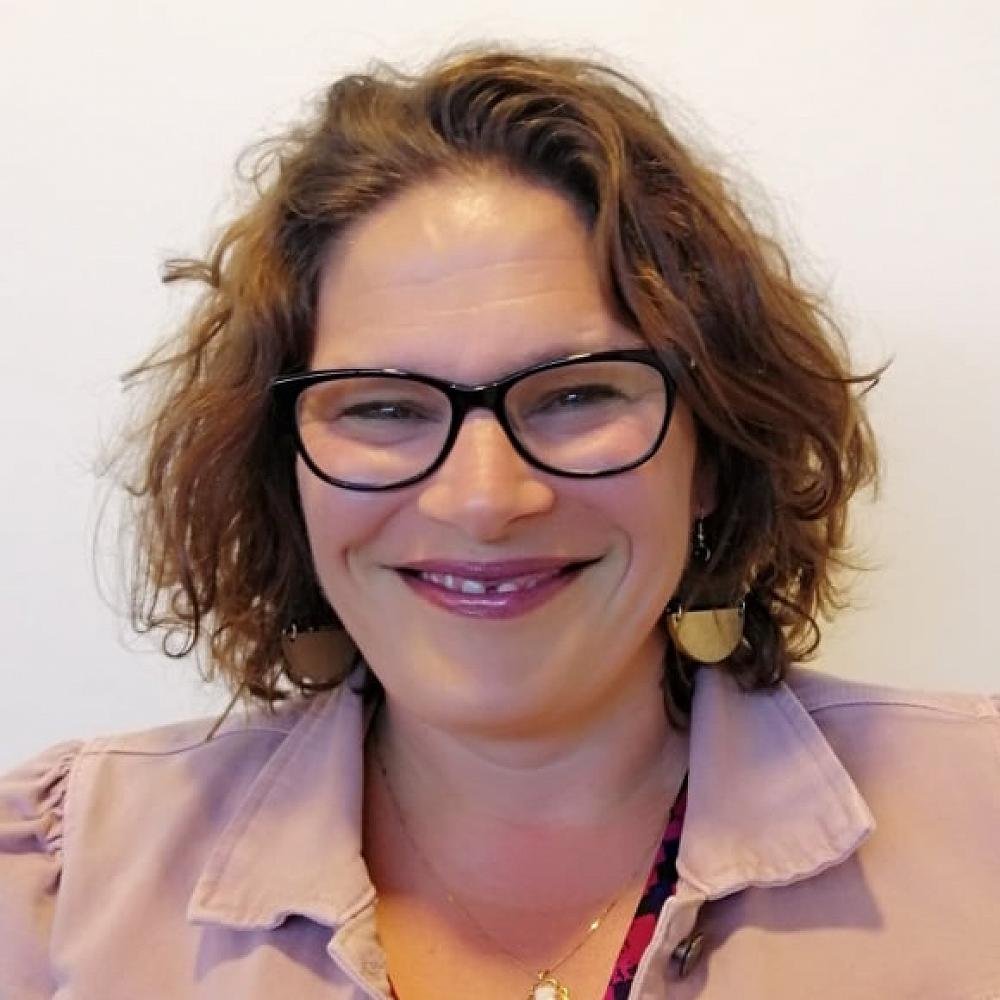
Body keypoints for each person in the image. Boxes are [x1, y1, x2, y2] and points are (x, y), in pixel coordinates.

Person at [1, 47, 998, 1000]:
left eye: (575, 396)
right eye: (382, 406)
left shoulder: (978, 826)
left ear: (715, 452)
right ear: (284, 471)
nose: (484, 498)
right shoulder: (62, 889)